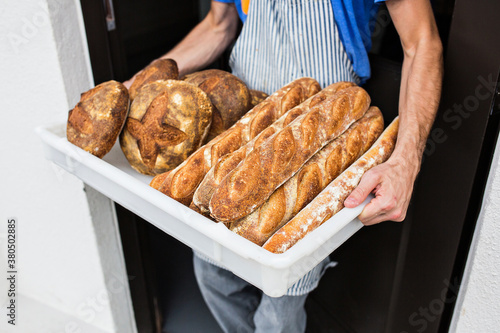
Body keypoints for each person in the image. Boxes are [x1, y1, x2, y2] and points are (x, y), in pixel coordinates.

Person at [125, 0, 443, 331]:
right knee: (215, 279)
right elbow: (218, 25)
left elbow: (422, 43)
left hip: (322, 135)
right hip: (242, 127)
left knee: (277, 314)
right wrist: (139, 84)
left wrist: (406, 161)